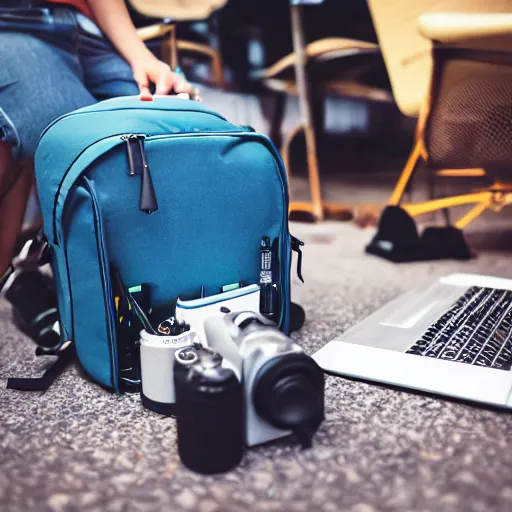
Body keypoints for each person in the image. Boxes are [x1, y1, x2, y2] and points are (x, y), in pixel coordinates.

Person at [0, 0, 196, 344]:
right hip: (13, 20)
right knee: (72, 142)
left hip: (88, 29)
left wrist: (143, 58)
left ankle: (173, 284)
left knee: (181, 129)